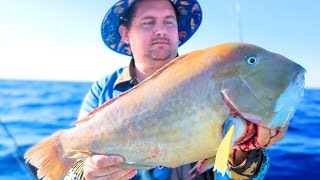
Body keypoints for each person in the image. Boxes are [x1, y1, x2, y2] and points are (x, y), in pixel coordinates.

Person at [64, 0, 288, 179]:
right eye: (148, 22)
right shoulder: (102, 90)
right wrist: (87, 174)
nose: (161, 30)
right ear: (125, 34)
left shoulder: (212, 77)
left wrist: (245, 154)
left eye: (169, 22)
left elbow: (242, 177)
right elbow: (75, 168)